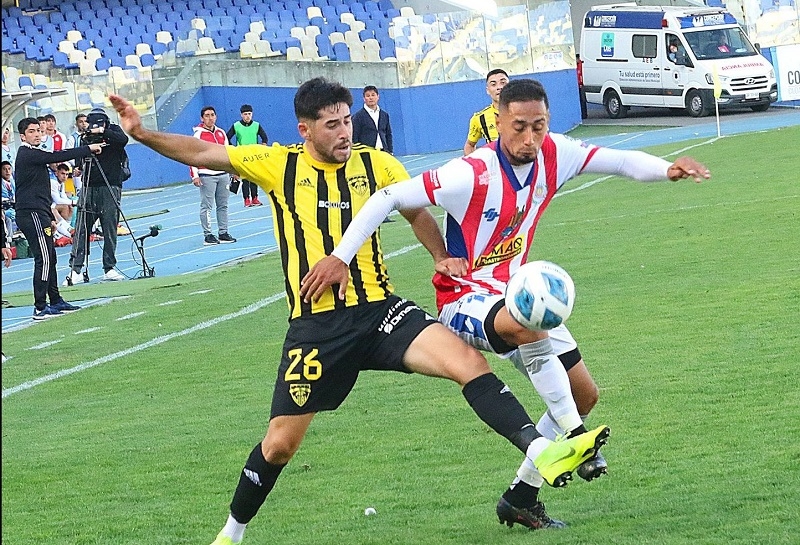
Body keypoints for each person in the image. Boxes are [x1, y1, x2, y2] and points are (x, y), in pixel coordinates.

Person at [110, 78, 610, 544]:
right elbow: (201, 151)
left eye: (347, 120)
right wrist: (142, 132)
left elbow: (416, 209)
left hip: (381, 312)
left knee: (468, 362)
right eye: (332, 124)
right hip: (317, 329)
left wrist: (438, 254)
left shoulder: (377, 164)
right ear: (304, 129)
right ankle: (232, 533)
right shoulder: (276, 163)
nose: (345, 131)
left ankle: (539, 449)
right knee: (281, 445)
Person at [303, 78, 711, 524]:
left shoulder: (555, 152)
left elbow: (619, 161)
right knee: (529, 331)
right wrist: (342, 256)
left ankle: (520, 498)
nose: (530, 138)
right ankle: (575, 435)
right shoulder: (470, 173)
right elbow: (389, 197)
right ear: (498, 122)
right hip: (465, 299)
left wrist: (667, 168)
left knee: (583, 393)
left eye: (539, 126)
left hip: (516, 292)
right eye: (519, 127)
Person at [14, 117, 102, 319]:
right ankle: (39, 306)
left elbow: (39, 188)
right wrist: (88, 149)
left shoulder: (35, 153)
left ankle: (55, 300)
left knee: (50, 257)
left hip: (41, 212)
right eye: (31, 131)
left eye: (38, 130)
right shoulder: (27, 154)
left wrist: (49, 215)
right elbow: (58, 155)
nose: (37, 134)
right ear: (23, 136)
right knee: (43, 258)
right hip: (30, 213)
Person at [64, 108, 129, 285]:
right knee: (82, 228)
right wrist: (78, 166)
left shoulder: (113, 131)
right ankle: (76, 268)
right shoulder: (85, 137)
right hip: (89, 186)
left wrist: (102, 132)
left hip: (110, 185)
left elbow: (123, 140)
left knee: (109, 228)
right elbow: (80, 156)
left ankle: (109, 267)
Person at [190, 106, 237, 246]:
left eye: (212, 115)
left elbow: (228, 153)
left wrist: (233, 170)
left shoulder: (221, 133)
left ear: (216, 117)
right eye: (207, 115)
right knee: (207, 206)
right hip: (206, 175)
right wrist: (195, 175)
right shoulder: (198, 135)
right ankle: (208, 235)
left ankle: (223, 232)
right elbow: (192, 155)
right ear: (202, 118)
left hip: (223, 174)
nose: (210, 118)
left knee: (223, 205)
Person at [226, 104, 267, 208]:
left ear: (252, 114)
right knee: (245, 179)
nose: (247, 116)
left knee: (254, 178)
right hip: (242, 155)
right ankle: (246, 199)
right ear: (241, 115)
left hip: (254, 155)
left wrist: (262, 147)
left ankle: (255, 198)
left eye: (249, 114)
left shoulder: (256, 125)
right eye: (245, 114)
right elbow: (227, 137)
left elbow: (264, 137)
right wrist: (233, 148)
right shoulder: (236, 126)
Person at [463, 69, 509, 156]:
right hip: (496, 167)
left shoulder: (524, 111)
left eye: (503, 83)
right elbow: (469, 145)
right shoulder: (480, 118)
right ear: (488, 90)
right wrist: (474, 165)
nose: (499, 87)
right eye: (493, 84)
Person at [351, 85, 393, 154]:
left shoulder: (384, 115)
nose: (371, 98)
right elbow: (354, 136)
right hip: (367, 152)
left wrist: (390, 150)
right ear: (364, 99)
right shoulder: (358, 116)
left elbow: (388, 134)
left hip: (384, 152)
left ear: (378, 97)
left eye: (373, 95)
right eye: (368, 96)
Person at [66, 113, 89, 195]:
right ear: (76, 124)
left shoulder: (91, 136)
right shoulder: (72, 138)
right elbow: (69, 155)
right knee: (80, 193)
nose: (84, 124)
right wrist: (78, 165)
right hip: (78, 169)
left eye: (85, 121)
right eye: (81, 122)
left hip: (90, 168)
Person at [50, 163, 74, 240]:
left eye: (67, 174)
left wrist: (72, 203)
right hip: (46, 205)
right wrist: (73, 202)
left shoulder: (62, 183)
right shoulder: (53, 182)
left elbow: (63, 197)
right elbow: (57, 200)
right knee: (53, 210)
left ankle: (68, 230)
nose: (65, 176)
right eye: (62, 173)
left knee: (68, 207)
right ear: (57, 173)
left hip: (53, 204)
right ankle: (67, 233)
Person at [2, 160, 17, 236]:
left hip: (13, 206)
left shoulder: (12, 182)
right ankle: (9, 241)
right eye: (4, 169)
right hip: (3, 208)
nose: (7, 171)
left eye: (9, 169)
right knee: (8, 219)